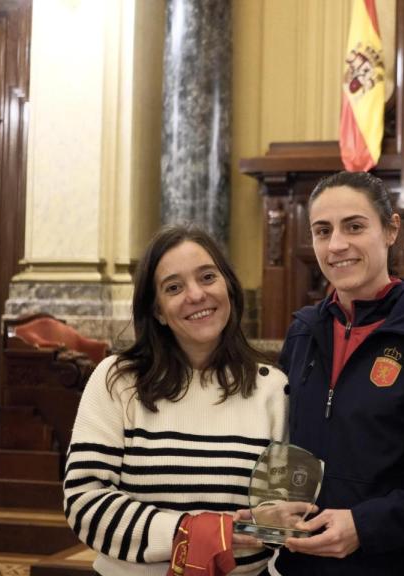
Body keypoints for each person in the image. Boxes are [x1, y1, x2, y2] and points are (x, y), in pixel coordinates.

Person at [64, 226, 286, 576]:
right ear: (158, 312)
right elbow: (85, 502)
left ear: (228, 286)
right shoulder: (117, 380)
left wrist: (242, 532)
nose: (196, 295)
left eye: (208, 277)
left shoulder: (273, 388)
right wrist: (191, 533)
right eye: (174, 287)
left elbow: (279, 522)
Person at [274, 171, 404, 575]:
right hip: (304, 564)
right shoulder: (303, 331)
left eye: (355, 227)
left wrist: (365, 525)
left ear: (391, 229)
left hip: (395, 563)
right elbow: (287, 444)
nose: (337, 244)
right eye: (322, 231)